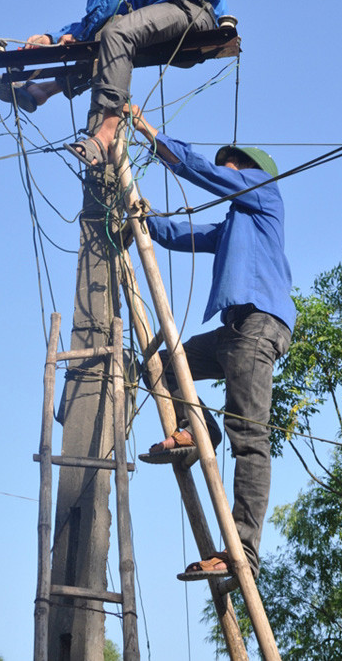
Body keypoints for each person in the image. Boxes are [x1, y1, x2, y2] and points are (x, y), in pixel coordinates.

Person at [127, 105, 296, 584]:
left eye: (233, 165)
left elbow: (201, 171)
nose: (226, 171)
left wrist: (150, 134)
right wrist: (142, 216)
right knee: (159, 365)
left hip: (258, 326)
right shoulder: (235, 225)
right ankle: (196, 425)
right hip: (234, 332)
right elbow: (184, 234)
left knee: (250, 438)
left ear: (251, 173)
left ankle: (243, 548)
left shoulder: (264, 196)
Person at [3, 0, 228, 166]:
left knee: (117, 33)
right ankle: (40, 90)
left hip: (193, 12)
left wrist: (82, 32)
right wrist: (52, 37)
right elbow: (110, 13)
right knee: (105, 33)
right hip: (175, 19)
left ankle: (105, 136)